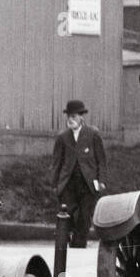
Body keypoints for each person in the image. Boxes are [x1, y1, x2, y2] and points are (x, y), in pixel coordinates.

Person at [51, 99, 107, 247]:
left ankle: (79, 244)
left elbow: (101, 160)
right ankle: (67, 234)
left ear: (82, 117)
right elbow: (56, 162)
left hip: (87, 182)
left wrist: (101, 181)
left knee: (84, 214)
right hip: (68, 182)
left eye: (74, 116)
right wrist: (55, 184)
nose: (70, 119)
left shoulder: (92, 134)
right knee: (67, 211)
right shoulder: (62, 137)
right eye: (68, 116)